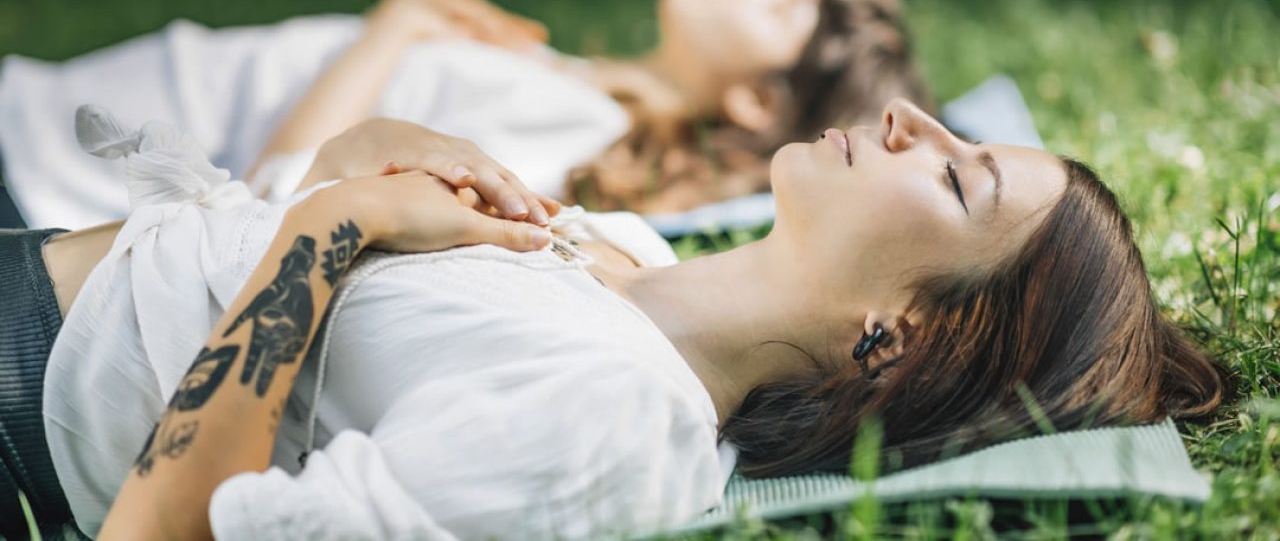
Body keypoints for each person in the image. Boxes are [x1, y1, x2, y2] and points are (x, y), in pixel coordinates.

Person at [2, 99, 1223, 540]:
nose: (909, 115)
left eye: (957, 179)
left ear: (896, 333)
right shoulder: (620, 252)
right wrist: (359, 165)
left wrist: (327, 233)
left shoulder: (612, 423)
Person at [0, 0, 931, 230]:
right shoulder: (573, 84)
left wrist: (395, 22)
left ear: (758, 107)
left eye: (781, 4)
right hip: (41, 122)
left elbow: (276, 197)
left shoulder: (572, 130)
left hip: (44, 176)